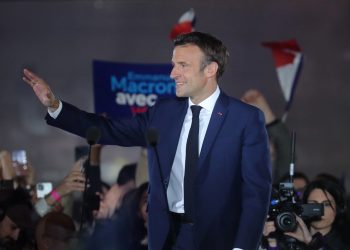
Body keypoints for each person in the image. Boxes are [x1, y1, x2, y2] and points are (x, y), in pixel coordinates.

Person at [22, 31, 272, 250]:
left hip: (220, 240)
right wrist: (55, 106)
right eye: (173, 64)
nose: (173, 73)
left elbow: (256, 193)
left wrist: (242, 247)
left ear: (210, 69)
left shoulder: (245, 119)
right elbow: (107, 129)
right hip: (167, 236)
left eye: (182, 65)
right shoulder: (164, 113)